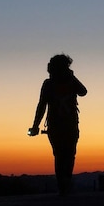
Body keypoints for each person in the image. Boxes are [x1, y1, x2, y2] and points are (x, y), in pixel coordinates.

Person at [28, 54, 87, 195]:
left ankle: (63, 184)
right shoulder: (60, 83)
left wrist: (35, 125)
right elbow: (83, 92)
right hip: (68, 125)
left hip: (58, 125)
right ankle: (65, 182)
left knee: (60, 155)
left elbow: (41, 106)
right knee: (68, 154)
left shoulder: (49, 84)